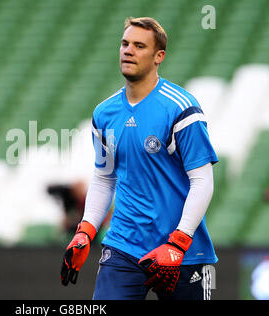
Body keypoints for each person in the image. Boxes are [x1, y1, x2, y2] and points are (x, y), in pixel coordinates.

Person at [60, 17, 218, 300]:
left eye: (139, 46)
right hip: (124, 247)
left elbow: (203, 181)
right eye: (124, 43)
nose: (128, 50)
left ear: (159, 57)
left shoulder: (181, 109)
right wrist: (85, 230)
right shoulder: (104, 113)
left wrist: (179, 242)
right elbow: (104, 178)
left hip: (183, 252)